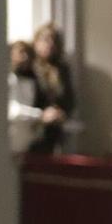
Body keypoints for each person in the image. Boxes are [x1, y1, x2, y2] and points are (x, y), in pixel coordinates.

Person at [24, 22, 76, 154]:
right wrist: (40, 115)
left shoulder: (61, 69)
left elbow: (69, 99)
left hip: (56, 127)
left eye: (54, 40)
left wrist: (61, 113)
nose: (50, 44)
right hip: (31, 126)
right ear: (36, 42)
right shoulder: (28, 68)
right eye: (46, 39)